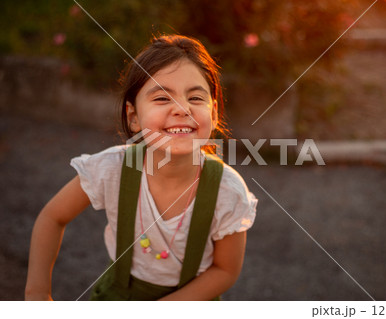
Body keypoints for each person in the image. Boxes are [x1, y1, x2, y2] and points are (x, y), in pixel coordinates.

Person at [25, 35, 257, 301]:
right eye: (161, 98)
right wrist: (37, 293)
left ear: (213, 113)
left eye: (195, 97)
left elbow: (225, 270)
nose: (182, 108)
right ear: (134, 117)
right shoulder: (112, 169)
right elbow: (52, 218)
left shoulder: (227, 190)